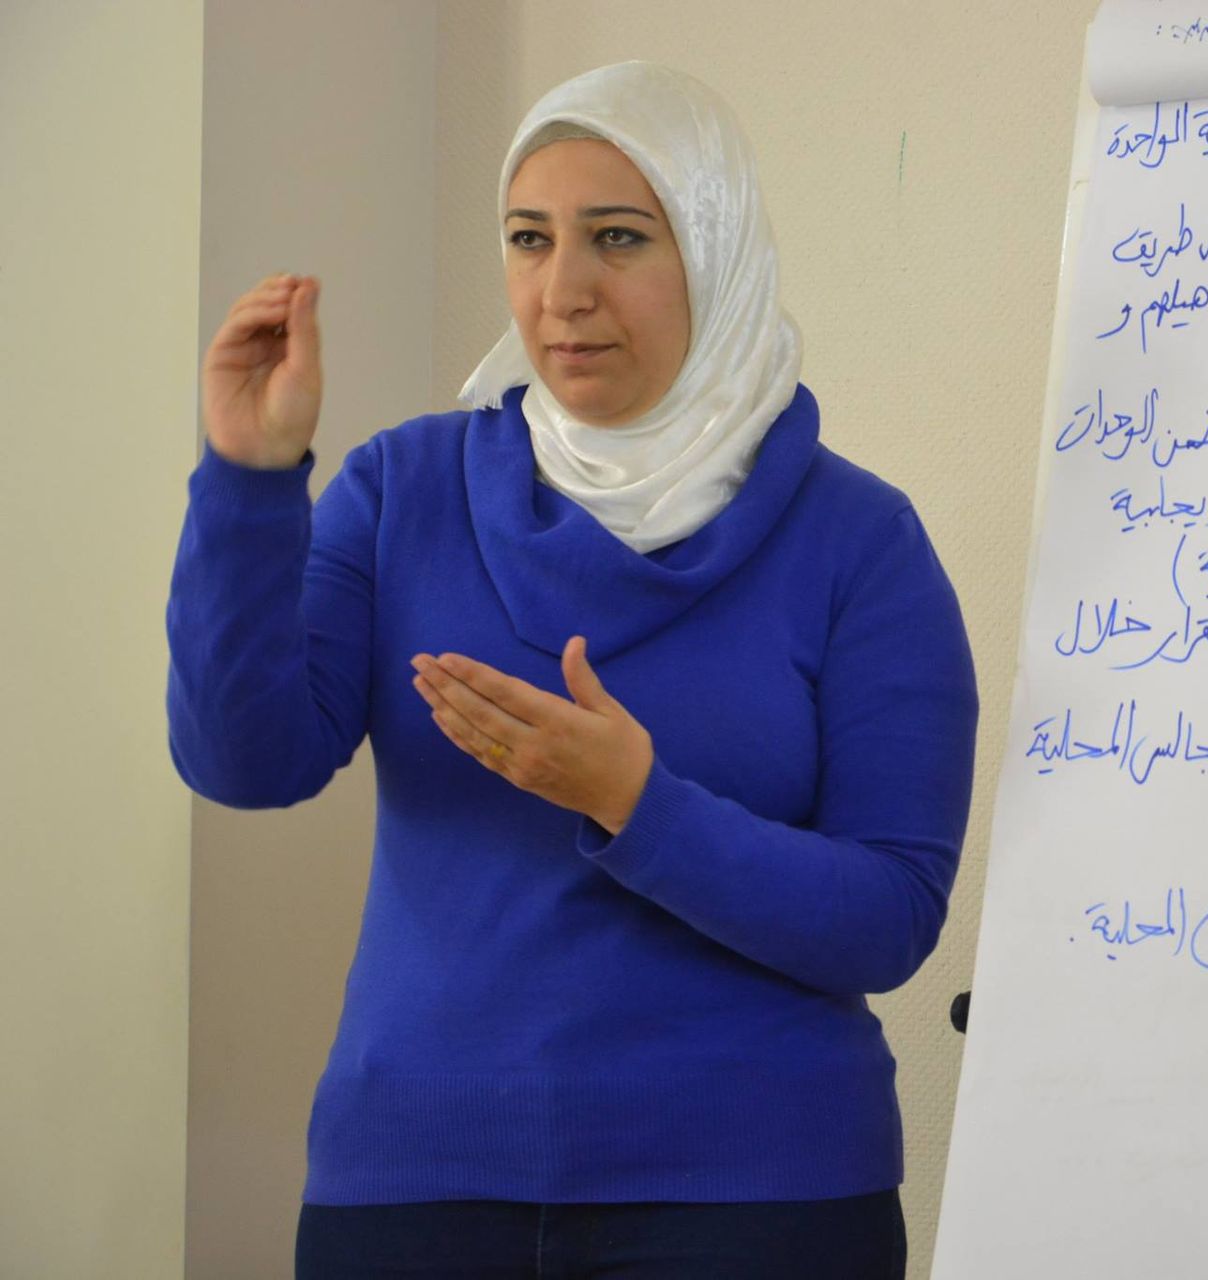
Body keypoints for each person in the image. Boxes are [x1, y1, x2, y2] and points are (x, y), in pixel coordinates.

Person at [166, 60, 978, 1279]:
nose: (564, 291)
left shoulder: (859, 540)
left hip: (760, 1201)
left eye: (619, 237)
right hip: (415, 1191)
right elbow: (243, 760)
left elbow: (890, 917)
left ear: (713, 249)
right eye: (529, 238)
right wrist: (248, 473)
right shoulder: (402, 490)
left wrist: (638, 803)